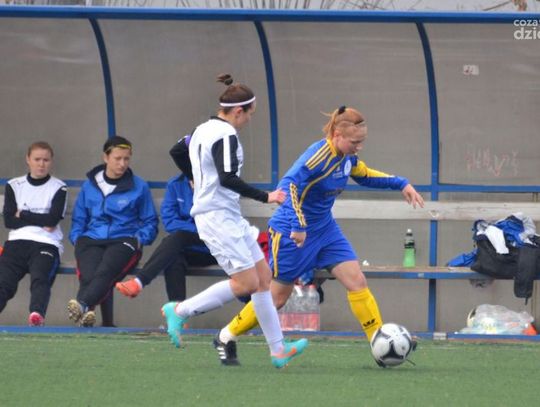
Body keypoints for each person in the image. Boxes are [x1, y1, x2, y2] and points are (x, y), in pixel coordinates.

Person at [215, 105, 424, 364]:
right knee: (277, 297)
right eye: (354, 142)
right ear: (337, 135)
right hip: (291, 233)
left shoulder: (347, 158)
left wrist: (401, 183)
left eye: (362, 142)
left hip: (325, 230)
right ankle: (226, 335)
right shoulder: (317, 157)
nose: (359, 147)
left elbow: (365, 175)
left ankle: (378, 341)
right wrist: (299, 225)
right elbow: (287, 186)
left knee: (356, 280)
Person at [161, 73, 308, 368]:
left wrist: (195, 177)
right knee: (247, 283)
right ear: (238, 111)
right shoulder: (226, 135)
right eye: (250, 114)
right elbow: (227, 178)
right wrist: (266, 197)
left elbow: (177, 150)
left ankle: (278, 350)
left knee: (263, 279)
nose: (249, 120)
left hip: (227, 215)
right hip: (216, 218)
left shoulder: (202, 129)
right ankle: (179, 311)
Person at [68, 136, 158, 327]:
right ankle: (96, 318)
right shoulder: (90, 184)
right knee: (88, 276)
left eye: (126, 159)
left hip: (124, 239)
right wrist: (77, 238)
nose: (122, 164)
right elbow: (79, 218)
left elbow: (150, 221)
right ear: (105, 157)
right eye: (118, 158)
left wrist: (139, 240)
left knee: (105, 271)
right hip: (91, 239)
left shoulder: (139, 185)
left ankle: (84, 305)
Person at [115, 172, 217, 301]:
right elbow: (169, 221)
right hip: (188, 247)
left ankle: (140, 281)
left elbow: (216, 226)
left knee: (178, 237)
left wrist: (191, 230)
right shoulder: (175, 183)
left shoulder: (217, 184)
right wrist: (195, 230)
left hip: (215, 249)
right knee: (173, 257)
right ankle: (176, 311)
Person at [0, 141, 67, 326]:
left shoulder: (59, 187)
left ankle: (36, 316)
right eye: (37, 159)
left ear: (51, 161)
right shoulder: (14, 185)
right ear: (28, 160)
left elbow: (52, 220)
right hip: (17, 241)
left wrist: (24, 214)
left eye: (46, 160)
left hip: (46, 243)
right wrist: (42, 220)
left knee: (40, 277)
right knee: (4, 281)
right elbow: (9, 221)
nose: (41, 164)